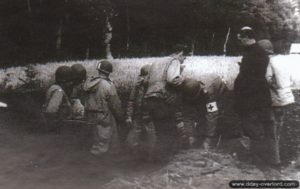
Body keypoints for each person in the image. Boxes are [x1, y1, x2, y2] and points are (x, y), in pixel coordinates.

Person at [234, 26, 274, 165]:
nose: (240, 42)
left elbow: (248, 79)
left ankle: (257, 159)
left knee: (251, 128)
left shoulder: (252, 54)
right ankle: (260, 158)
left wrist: (240, 98)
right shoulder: (259, 52)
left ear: (246, 38)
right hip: (259, 98)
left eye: (241, 39)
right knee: (257, 127)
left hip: (250, 99)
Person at [143, 51, 189, 160]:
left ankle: (155, 163)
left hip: (150, 100)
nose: (184, 60)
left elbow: (145, 81)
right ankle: (165, 163)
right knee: (169, 132)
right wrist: (183, 80)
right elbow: (172, 79)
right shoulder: (174, 61)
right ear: (180, 54)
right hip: (162, 100)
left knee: (160, 133)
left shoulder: (156, 62)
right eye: (184, 57)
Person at [258, 39, 295, 165]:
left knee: (271, 132)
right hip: (285, 99)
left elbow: (267, 80)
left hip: (274, 100)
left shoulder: (267, 62)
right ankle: (280, 157)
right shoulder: (281, 61)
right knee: (278, 130)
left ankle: (274, 160)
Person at [83, 60, 124, 156]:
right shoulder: (108, 85)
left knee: (95, 136)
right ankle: (102, 160)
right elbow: (115, 104)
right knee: (106, 137)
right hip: (104, 115)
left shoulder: (88, 83)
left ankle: (93, 154)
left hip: (89, 114)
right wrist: (120, 118)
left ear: (99, 70)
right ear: (109, 72)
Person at [179, 77, 228, 150]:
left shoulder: (209, 93)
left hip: (221, 94)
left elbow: (212, 115)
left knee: (222, 118)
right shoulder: (186, 91)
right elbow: (187, 115)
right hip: (203, 94)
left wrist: (208, 139)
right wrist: (190, 135)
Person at [125, 64, 156, 157]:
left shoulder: (154, 86)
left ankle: (151, 159)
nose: (143, 79)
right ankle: (133, 159)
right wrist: (129, 116)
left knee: (152, 141)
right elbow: (131, 101)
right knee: (131, 141)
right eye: (142, 76)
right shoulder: (137, 86)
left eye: (146, 76)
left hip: (150, 117)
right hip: (137, 116)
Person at [43, 66, 73, 131]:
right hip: (58, 127)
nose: (71, 83)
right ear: (64, 81)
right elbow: (51, 110)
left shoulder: (53, 87)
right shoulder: (58, 91)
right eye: (69, 81)